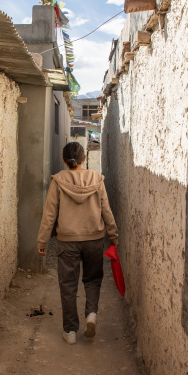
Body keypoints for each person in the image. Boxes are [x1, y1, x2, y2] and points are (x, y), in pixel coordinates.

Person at [37, 141, 118, 345]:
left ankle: (70, 331)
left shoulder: (58, 181)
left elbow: (49, 214)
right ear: (84, 159)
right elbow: (106, 211)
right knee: (92, 280)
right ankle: (91, 314)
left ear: (64, 160)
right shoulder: (97, 180)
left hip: (68, 241)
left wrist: (43, 241)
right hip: (94, 239)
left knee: (68, 285)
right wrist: (114, 237)